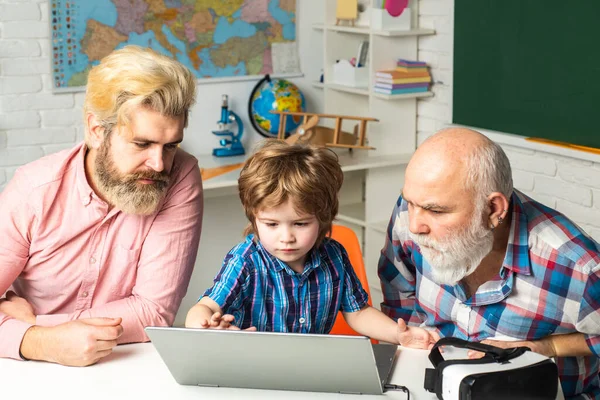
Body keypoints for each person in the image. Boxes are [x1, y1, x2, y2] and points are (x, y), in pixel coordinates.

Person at [0, 46, 203, 367]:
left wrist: (36, 329)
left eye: (171, 145)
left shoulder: (181, 173)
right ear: (97, 130)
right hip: (31, 371)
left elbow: (154, 310)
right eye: (142, 143)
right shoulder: (32, 190)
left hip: (132, 364)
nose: (160, 163)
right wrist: (38, 345)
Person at [378, 127, 600, 399]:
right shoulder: (412, 212)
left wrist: (550, 347)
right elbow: (398, 292)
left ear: (494, 209)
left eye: (436, 211)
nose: (414, 226)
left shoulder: (578, 266)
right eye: (410, 202)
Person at [185, 140, 435, 346]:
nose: (286, 237)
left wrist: (398, 335)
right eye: (271, 225)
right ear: (254, 218)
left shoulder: (334, 256)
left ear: (323, 218)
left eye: (300, 224)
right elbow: (202, 308)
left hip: (311, 369)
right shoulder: (246, 261)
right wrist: (206, 327)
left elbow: (357, 312)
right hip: (253, 368)